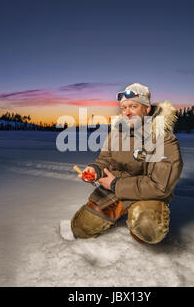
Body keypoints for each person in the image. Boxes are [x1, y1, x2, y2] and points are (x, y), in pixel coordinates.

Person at [71, 83, 183, 244]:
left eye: (133, 106)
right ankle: (120, 210)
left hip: (146, 196)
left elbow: (159, 186)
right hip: (114, 190)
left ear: (147, 109)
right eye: (123, 108)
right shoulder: (116, 133)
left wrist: (116, 184)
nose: (127, 112)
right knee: (80, 228)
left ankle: (135, 215)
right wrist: (95, 170)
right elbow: (104, 160)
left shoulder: (164, 139)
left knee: (148, 229)